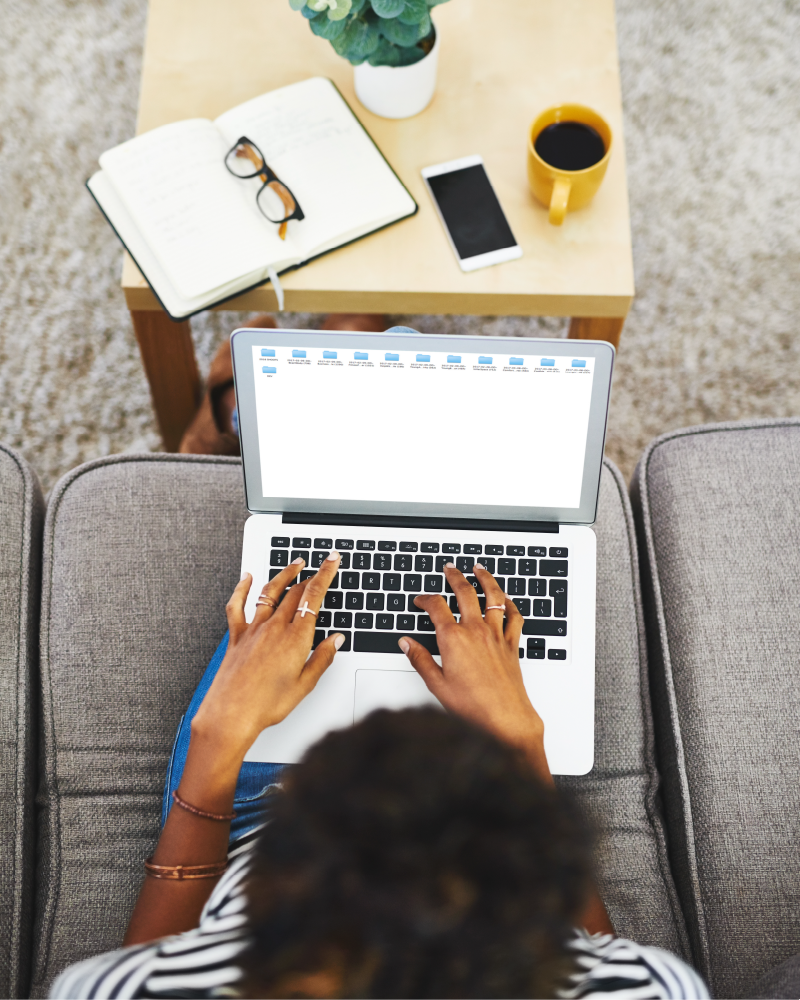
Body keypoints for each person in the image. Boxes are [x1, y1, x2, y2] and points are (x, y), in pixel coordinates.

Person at [50, 556, 708, 1000]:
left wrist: (219, 740)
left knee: (306, 572)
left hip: (240, 817)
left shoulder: (117, 988)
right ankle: (371, 340)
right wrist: (517, 743)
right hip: (452, 806)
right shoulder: (655, 986)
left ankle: (235, 412)